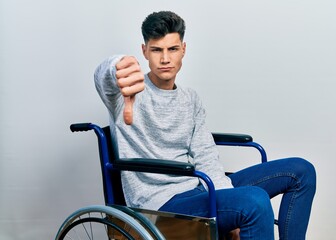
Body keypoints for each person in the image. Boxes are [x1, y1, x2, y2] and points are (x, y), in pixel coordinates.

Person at [94, 11, 316, 240]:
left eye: (172, 49)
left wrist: (230, 208)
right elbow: (105, 79)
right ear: (144, 52)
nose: (165, 59)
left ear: (183, 49)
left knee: (301, 171)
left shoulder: (190, 99)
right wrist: (118, 66)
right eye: (156, 50)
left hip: (199, 185)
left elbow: (206, 157)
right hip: (162, 202)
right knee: (254, 201)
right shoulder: (125, 95)